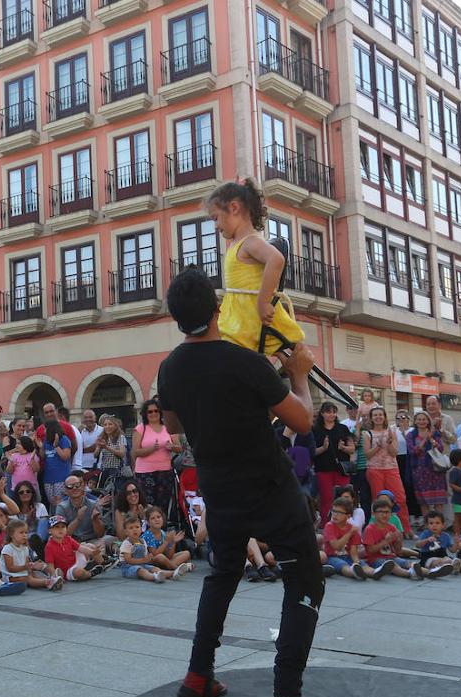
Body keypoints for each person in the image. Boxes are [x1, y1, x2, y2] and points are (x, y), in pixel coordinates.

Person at [156, 267, 333, 697]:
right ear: (219, 310)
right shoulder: (244, 362)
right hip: (269, 488)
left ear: (176, 319)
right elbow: (302, 419)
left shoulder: (170, 366)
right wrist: (298, 375)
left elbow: (173, 426)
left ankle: (197, 677)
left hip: (219, 489)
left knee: (222, 575)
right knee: (305, 582)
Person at [203, 178, 302, 358]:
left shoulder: (250, 242)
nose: (215, 225)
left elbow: (276, 259)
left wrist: (263, 302)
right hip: (241, 317)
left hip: (248, 321)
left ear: (234, 208)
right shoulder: (237, 243)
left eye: (216, 218)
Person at [362, 406, 409, 535]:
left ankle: (405, 528)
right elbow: (368, 455)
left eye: (380, 415)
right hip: (374, 470)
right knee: (379, 501)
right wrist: (378, 445)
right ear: (371, 418)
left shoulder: (391, 432)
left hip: (391, 468)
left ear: (384, 417)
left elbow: (394, 453)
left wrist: (388, 443)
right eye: (375, 415)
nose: (378, 417)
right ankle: (379, 530)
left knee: (400, 498)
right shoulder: (367, 434)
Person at [132, 398, 179, 510]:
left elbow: (179, 448)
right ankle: (147, 526)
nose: (153, 413)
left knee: (163, 503)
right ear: (145, 413)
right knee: (148, 504)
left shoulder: (168, 427)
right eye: (150, 411)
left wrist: (173, 447)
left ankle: (162, 526)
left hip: (165, 471)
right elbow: (135, 452)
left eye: (156, 411)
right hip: (145, 472)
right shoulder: (140, 429)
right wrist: (151, 449)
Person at [312, 402, 354, 522]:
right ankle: (327, 524)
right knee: (326, 498)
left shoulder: (343, 428)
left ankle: (346, 522)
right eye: (328, 412)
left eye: (334, 412)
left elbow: (352, 449)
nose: (332, 414)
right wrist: (324, 448)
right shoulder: (315, 430)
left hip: (341, 469)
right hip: (323, 469)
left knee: (344, 497)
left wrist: (343, 448)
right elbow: (312, 452)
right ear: (322, 413)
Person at [405, 411, 449, 525]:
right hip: (419, 471)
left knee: (438, 500)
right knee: (423, 501)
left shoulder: (435, 433)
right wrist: (425, 439)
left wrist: (432, 440)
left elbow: (440, 449)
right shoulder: (411, 435)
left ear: (428, 421)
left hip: (435, 470)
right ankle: (427, 525)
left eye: (424, 419)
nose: (421, 421)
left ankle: (440, 524)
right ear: (415, 421)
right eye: (419, 419)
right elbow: (413, 451)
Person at [118, 515, 176, 582]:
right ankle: (154, 577)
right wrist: (143, 560)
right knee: (142, 571)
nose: (134, 530)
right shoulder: (127, 543)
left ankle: (172, 573)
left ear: (141, 529)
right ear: (126, 532)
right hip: (128, 567)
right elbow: (128, 560)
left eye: (137, 527)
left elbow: (145, 555)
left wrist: (148, 557)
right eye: (131, 528)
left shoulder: (142, 541)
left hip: (142, 564)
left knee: (154, 568)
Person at [321, 499, 367, 579]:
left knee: (362, 563)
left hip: (348, 556)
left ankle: (374, 572)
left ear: (348, 516)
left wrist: (356, 562)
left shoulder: (352, 529)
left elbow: (353, 551)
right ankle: (354, 573)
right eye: (333, 511)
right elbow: (336, 546)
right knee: (342, 565)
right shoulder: (329, 526)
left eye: (339, 513)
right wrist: (349, 533)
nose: (335, 515)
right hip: (332, 556)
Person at [142, 506, 194, 574]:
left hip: (164, 560)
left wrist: (172, 542)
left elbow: (169, 555)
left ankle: (169, 566)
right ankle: (176, 568)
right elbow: (155, 554)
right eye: (153, 518)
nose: (156, 519)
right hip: (151, 561)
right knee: (160, 557)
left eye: (158, 517)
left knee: (186, 553)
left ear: (162, 519)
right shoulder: (148, 535)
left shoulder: (163, 533)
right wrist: (166, 541)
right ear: (148, 522)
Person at [94, 416, 132, 495]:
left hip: (117, 471)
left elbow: (122, 454)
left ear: (115, 426)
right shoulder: (102, 437)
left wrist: (106, 447)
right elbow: (95, 455)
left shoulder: (121, 437)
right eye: (105, 425)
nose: (107, 426)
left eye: (110, 424)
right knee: (103, 493)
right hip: (105, 470)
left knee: (117, 493)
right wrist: (98, 446)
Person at [40, 419, 73, 508]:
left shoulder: (64, 439)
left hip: (61, 478)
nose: (44, 431)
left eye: (45, 428)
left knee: (61, 504)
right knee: (52, 503)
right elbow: (42, 456)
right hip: (48, 478)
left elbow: (65, 457)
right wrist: (41, 445)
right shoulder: (46, 440)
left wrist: (56, 446)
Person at [76, 409, 103, 474]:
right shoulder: (80, 431)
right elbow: (77, 448)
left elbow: (99, 446)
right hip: (82, 466)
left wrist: (82, 450)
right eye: (85, 417)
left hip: (97, 466)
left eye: (90, 417)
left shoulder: (102, 430)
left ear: (95, 418)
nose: (88, 419)